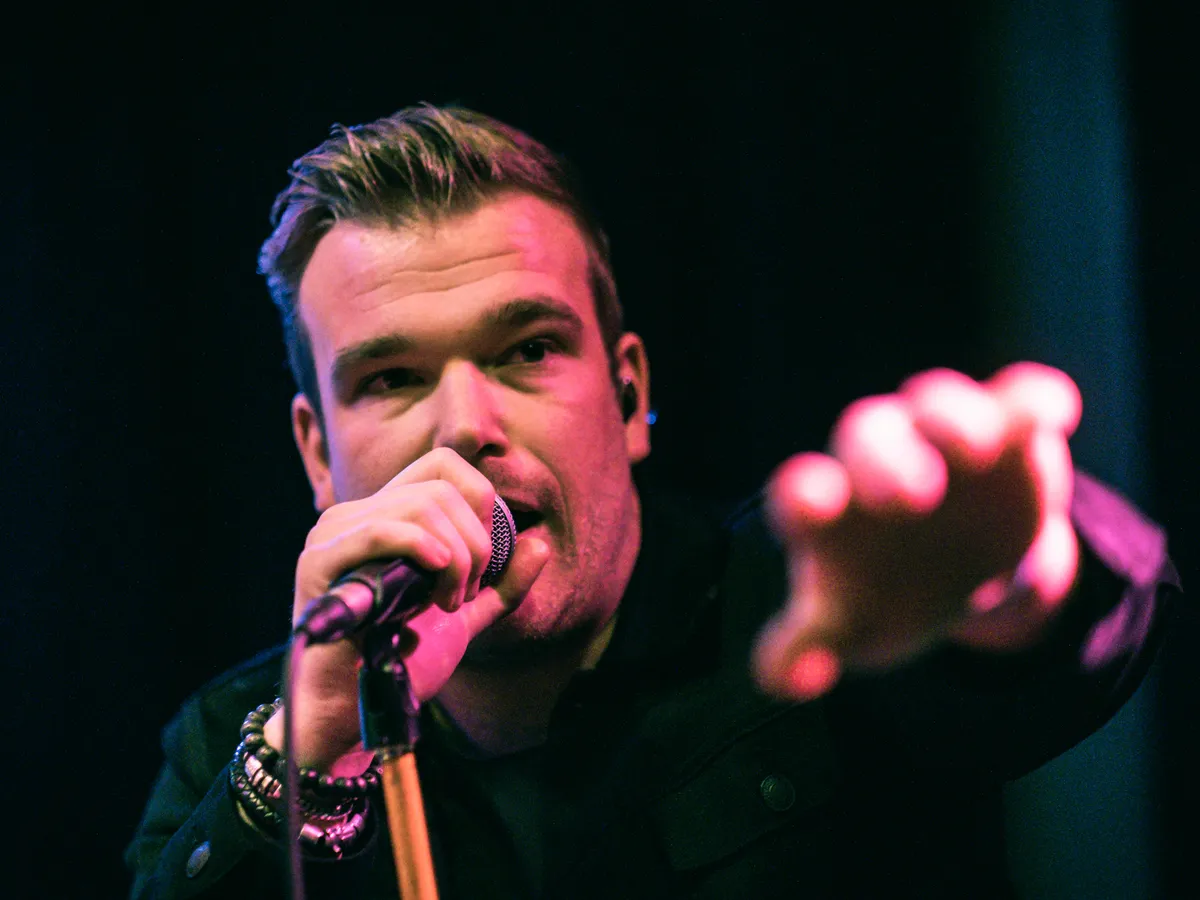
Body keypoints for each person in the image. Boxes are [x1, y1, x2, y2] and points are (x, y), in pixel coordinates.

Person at [126, 105, 1179, 899]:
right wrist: (313, 762)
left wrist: (1016, 581)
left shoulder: (799, 603)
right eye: (391, 378)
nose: (463, 425)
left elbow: (1073, 652)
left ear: (628, 396)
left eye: (528, 350)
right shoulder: (237, 738)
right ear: (317, 454)